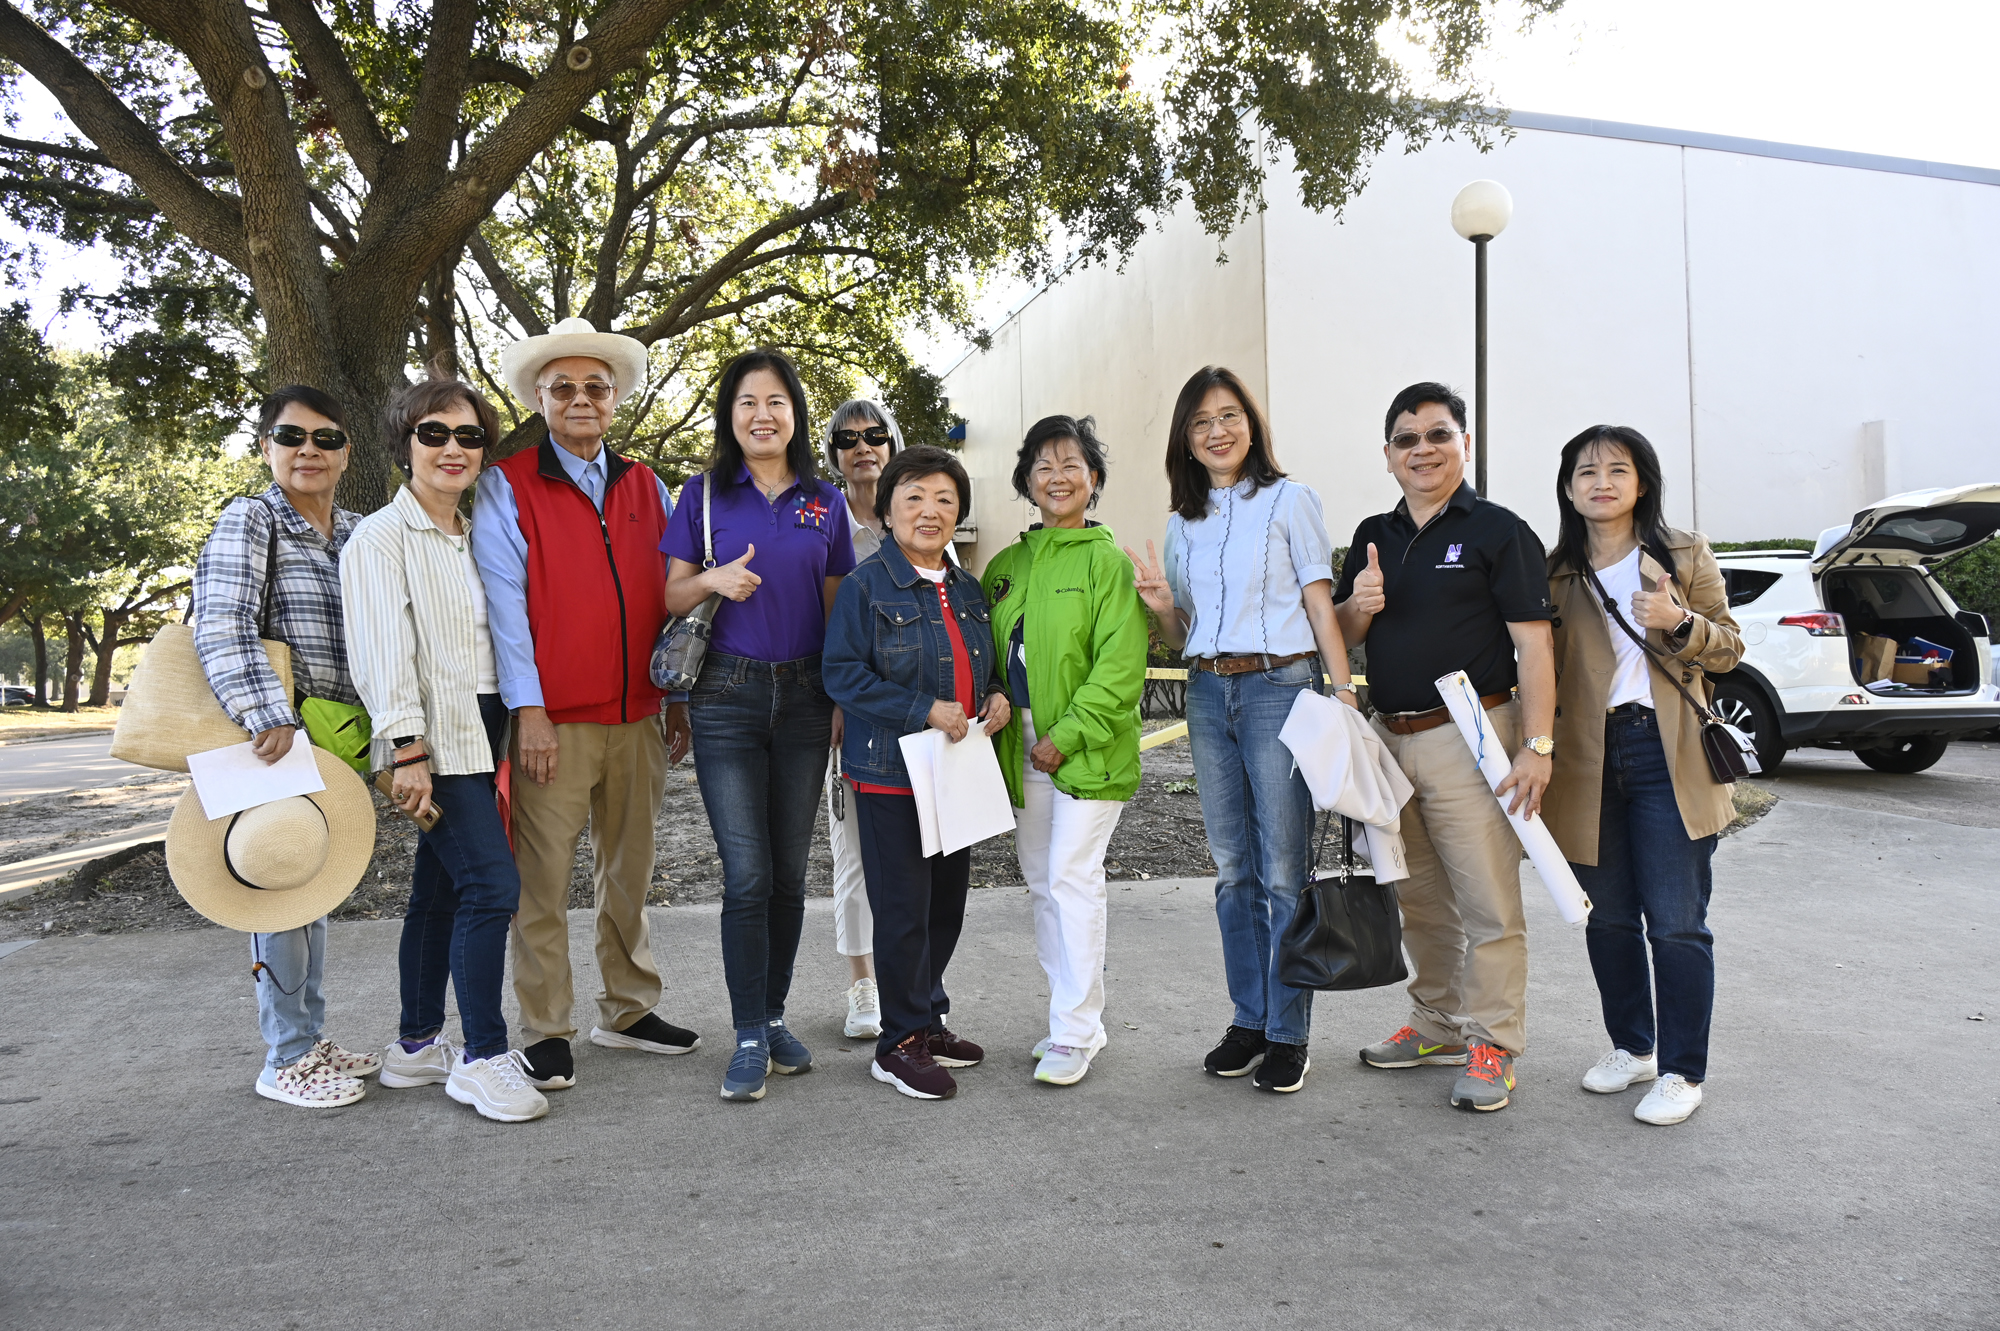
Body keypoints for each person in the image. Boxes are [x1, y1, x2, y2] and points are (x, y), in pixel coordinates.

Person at [473, 318, 696, 1093]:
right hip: (556, 721)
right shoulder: (507, 483)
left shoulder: (647, 484)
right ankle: (546, 1029)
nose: (580, 399)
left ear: (614, 399)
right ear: (539, 398)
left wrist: (675, 695)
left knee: (628, 872)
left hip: (639, 715)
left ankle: (629, 1009)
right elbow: (505, 607)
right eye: (562, 387)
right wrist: (528, 710)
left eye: (595, 387)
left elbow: (670, 598)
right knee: (541, 882)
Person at [1127, 367, 1358, 1096]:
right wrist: (1160, 607)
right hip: (1206, 692)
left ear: (1252, 426)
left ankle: (1289, 1033)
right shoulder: (1182, 522)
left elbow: (1319, 604)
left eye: (1229, 416)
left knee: (1283, 870)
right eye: (1201, 422)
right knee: (1233, 871)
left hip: (1278, 688)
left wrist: (1344, 691)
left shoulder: (1293, 500)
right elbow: (1181, 632)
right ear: (1186, 440)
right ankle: (1249, 1020)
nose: (1217, 430)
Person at [1333, 381, 1556, 1114]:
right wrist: (1357, 606)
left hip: (1473, 739)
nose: (1422, 449)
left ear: (1464, 442)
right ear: (1388, 454)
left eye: (1437, 434)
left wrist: (1538, 745)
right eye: (1406, 439)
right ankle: (1436, 1023)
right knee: (1419, 897)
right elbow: (1344, 633)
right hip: (1390, 741)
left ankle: (1495, 1043)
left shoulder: (1499, 531)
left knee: (1488, 901)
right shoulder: (1374, 533)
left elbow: (1534, 645)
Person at [342, 378, 546, 1123]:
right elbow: (381, 654)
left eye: (469, 436)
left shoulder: (475, 531)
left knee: (439, 892)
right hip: (432, 738)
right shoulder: (380, 538)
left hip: (482, 725)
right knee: (492, 885)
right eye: (434, 433)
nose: (453, 448)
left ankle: (416, 1045)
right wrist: (407, 750)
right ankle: (484, 1057)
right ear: (405, 445)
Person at [663, 349, 857, 1103]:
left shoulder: (825, 502)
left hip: (807, 697)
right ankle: (747, 1033)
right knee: (746, 875)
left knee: (787, 876)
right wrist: (712, 578)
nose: (763, 414)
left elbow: (838, 610)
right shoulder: (704, 494)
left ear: (796, 415)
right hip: (726, 697)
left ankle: (773, 1017)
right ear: (730, 415)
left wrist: (839, 697)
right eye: (748, 401)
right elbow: (671, 596)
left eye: (777, 401)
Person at [1543, 425, 1742, 1126]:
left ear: (1643, 482)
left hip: (1668, 753)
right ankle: (1634, 1046)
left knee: (1678, 922)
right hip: (1586, 757)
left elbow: (1729, 648)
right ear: (1568, 488)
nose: (1601, 482)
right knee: (1607, 917)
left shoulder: (1683, 554)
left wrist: (1679, 621)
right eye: (1586, 471)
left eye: (1617, 469)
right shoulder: (1555, 571)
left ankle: (1684, 1070)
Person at [192, 385, 381, 1107]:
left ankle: (310, 1037)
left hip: (333, 740)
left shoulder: (359, 531)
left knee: (311, 887)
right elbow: (222, 622)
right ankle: (287, 1057)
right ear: (266, 447)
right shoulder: (252, 519)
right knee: (279, 886)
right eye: (291, 436)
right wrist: (265, 713)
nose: (310, 450)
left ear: (346, 453)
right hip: (272, 738)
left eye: (326, 438)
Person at [824, 446, 1010, 1101]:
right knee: (902, 909)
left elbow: (982, 663)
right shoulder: (865, 586)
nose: (930, 511)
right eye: (915, 498)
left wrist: (996, 694)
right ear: (888, 510)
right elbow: (841, 674)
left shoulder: (966, 588)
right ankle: (897, 1043)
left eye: (945, 500)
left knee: (944, 906)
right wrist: (923, 708)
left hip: (955, 771)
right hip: (889, 773)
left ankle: (927, 1019)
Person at [983, 415, 1147, 1086]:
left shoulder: (1108, 563)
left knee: (1073, 877)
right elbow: (985, 657)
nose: (1057, 477)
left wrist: (1064, 737)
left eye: (1071, 464)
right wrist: (996, 696)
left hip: (1086, 745)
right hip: (1017, 745)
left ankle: (1077, 1033)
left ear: (1093, 478)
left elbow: (1121, 670)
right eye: (1043, 466)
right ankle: (1068, 1018)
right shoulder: (1005, 566)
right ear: (1027, 481)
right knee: (1042, 883)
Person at [820, 397, 904, 1040]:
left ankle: (913, 982)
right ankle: (862, 984)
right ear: (834, 455)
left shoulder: (917, 512)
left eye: (875, 435)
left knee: (914, 855)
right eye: (848, 440)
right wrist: (836, 703)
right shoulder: (821, 521)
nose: (863, 447)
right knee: (851, 851)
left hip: (917, 716)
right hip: (848, 714)